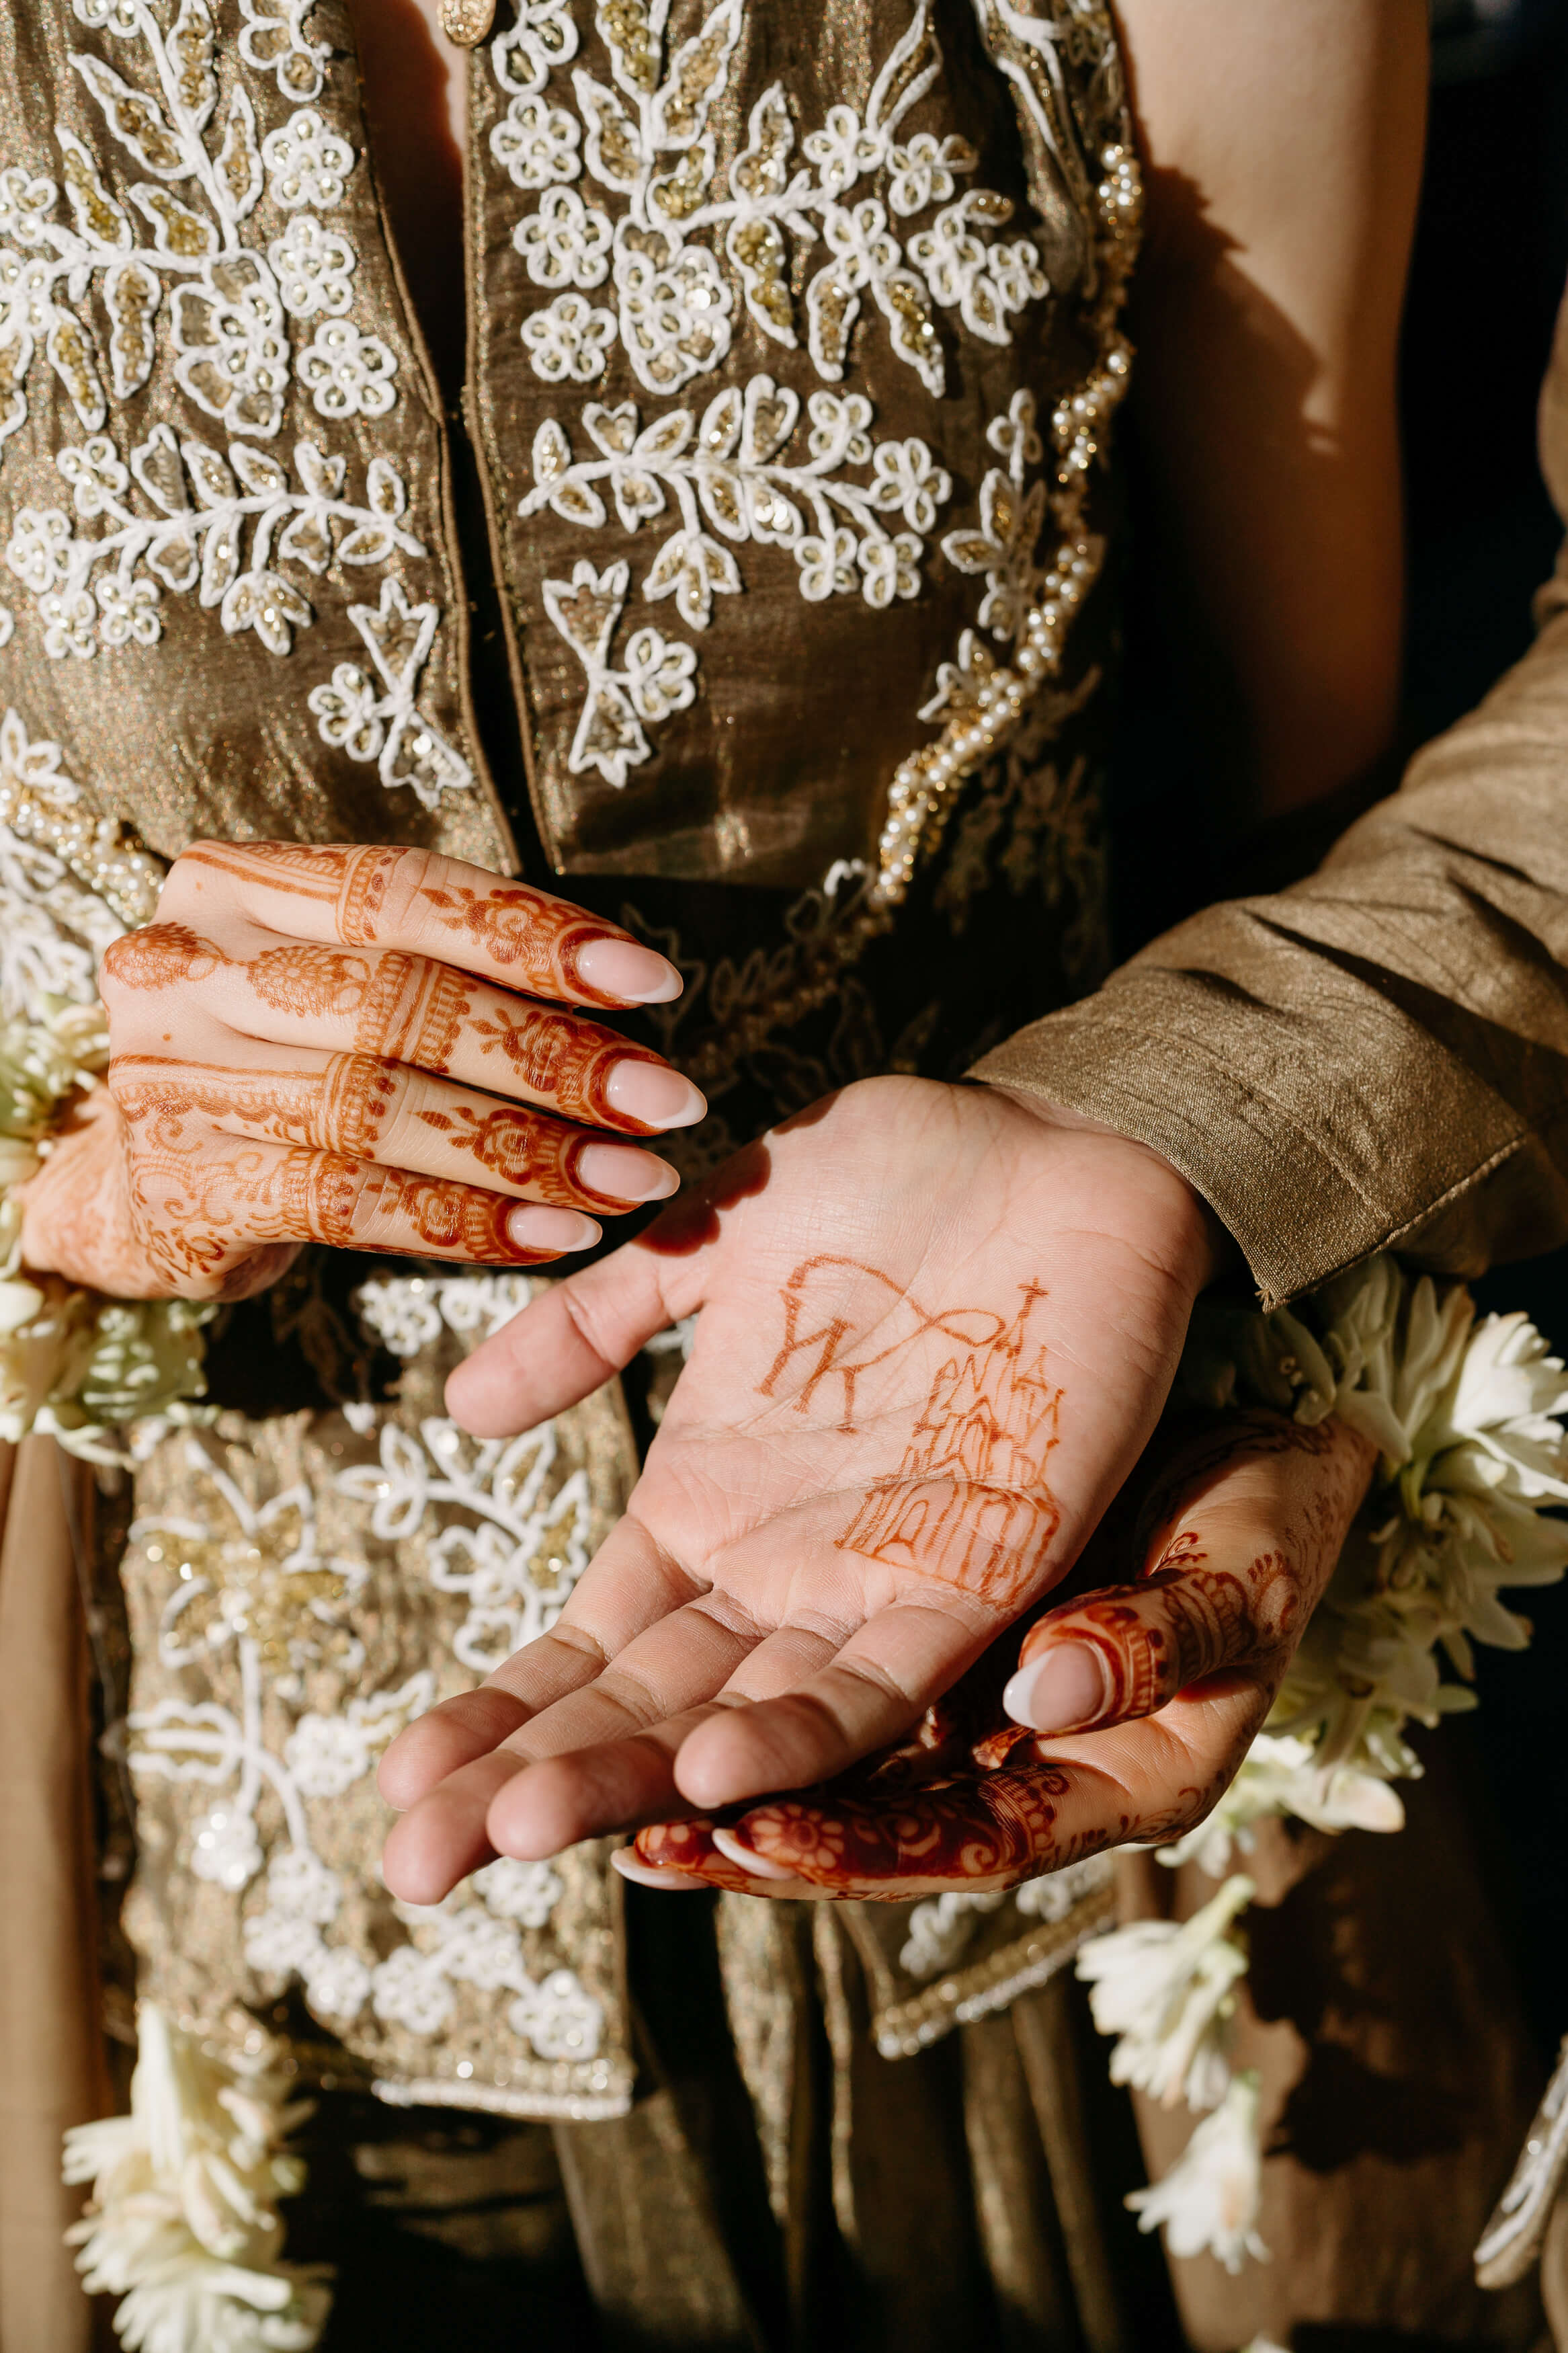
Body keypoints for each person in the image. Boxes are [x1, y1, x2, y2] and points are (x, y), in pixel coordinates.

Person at [0, 2, 1494, 2348]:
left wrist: (1197, 1159)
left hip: (1059, 1771)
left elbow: (1310, 824)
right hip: (232, 1911)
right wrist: (49, 1112)